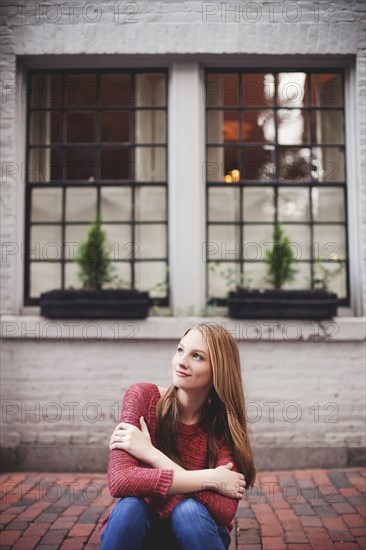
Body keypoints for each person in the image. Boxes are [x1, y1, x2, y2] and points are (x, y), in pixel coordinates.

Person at [99, 322, 256, 550]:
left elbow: (224, 510)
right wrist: (211, 478)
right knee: (131, 507)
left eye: (197, 357)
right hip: (143, 532)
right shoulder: (142, 397)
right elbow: (120, 481)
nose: (181, 362)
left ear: (219, 371)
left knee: (189, 511)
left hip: (195, 534)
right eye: (180, 350)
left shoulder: (221, 425)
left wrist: (150, 454)